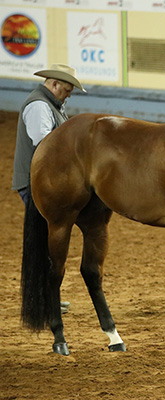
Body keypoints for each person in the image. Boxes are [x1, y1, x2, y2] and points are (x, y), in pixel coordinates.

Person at [12, 63, 86, 314]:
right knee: (43, 241)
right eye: (66, 90)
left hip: (43, 183)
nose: (68, 95)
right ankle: (44, 300)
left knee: (46, 240)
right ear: (54, 85)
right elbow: (44, 142)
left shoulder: (51, 105)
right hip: (35, 182)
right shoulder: (39, 106)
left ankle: (48, 296)